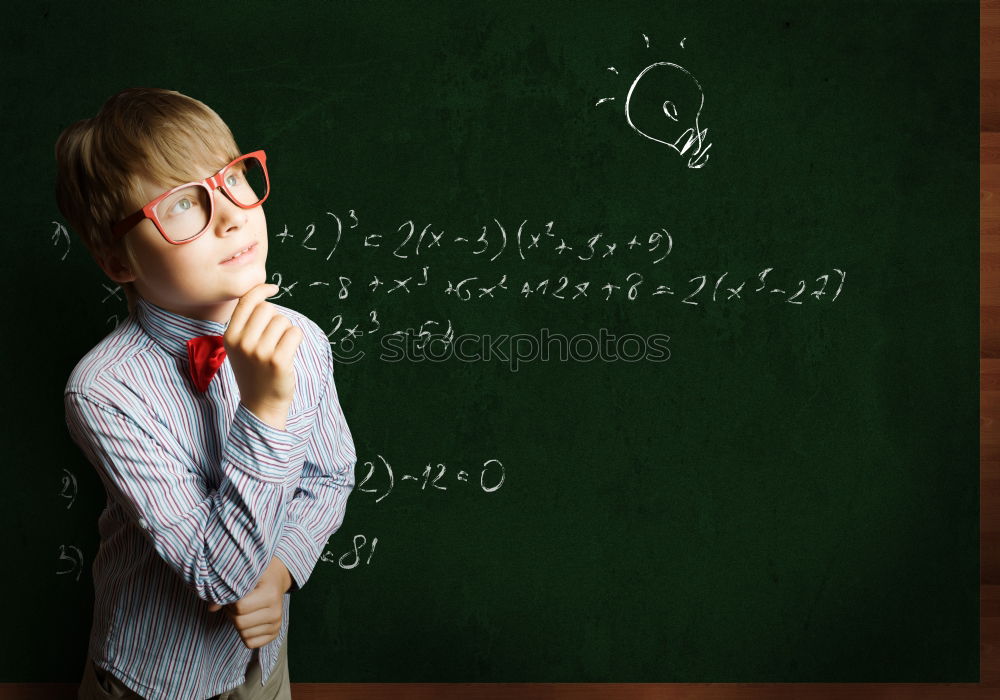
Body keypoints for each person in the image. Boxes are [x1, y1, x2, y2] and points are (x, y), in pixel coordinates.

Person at [56, 87, 357, 699]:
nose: (231, 214)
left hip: (262, 660)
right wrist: (265, 410)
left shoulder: (301, 338)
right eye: (183, 205)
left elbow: (330, 475)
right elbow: (216, 577)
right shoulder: (103, 391)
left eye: (232, 177)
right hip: (155, 677)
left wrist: (279, 572)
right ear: (118, 261)